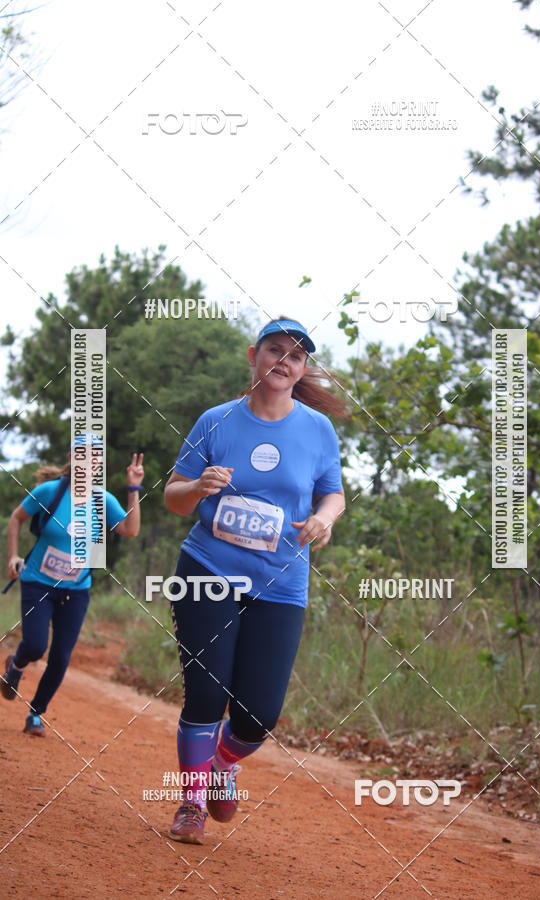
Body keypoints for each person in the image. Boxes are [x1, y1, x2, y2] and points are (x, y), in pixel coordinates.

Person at [164, 316, 347, 843]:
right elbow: (175, 498)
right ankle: (192, 805)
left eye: (295, 355)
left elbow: (332, 492)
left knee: (258, 715)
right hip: (207, 571)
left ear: (303, 368)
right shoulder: (216, 421)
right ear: (254, 355)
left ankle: (224, 763)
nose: (283, 361)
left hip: (280, 584)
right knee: (204, 694)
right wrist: (199, 486)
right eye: (274, 350)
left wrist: (324, 518)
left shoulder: (317, 429)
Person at [2, 436, 144, 735]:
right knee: (36, 645)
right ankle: (16, 665)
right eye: (84, 454)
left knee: (61, 657)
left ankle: (35, 714)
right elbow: (15, 519)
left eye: (96, 457)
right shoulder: (50, 491)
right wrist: (13, 556)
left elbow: (130, 530)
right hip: (38, 583)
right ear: (72, 456)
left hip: (76, 589)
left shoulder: (102, 500)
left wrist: (133, 489)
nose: (90, 461)